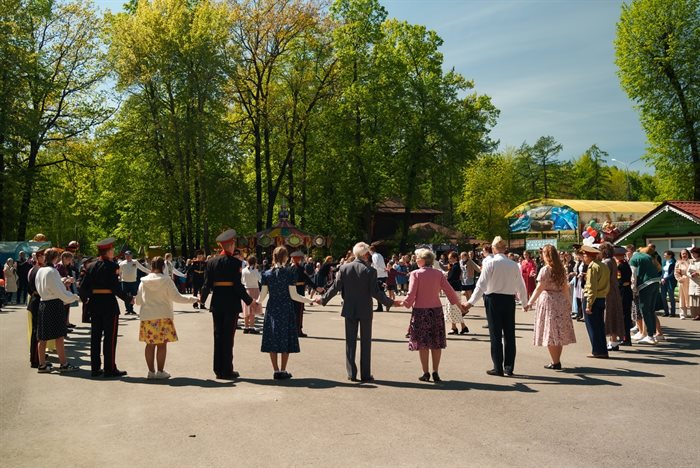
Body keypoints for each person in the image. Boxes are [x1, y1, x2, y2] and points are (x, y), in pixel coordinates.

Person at [321, 242, 393, 383]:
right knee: (366, 342)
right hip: (365, 309)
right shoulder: (370, 271)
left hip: (349, 308)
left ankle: (351, 373)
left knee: (350, 342)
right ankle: (365, 374)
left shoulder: (344, 268)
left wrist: (323, 299)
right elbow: (375, 292)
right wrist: (390, 302)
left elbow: (335, 287)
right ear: (365, 254)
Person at [465, 236, 528, 377]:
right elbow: (521, 285)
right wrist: (524, 303)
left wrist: (470, 303)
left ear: (493, 249)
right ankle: (509, 367)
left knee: (495, 334)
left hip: (493, 299)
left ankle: (498, 367)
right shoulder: (513, 265)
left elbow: (481, 285)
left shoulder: (491, 263)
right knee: (509, 334)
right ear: (505, 249)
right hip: (509, 300)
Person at [399, 248, 464, 382]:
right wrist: (460, 306)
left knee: (423, 344)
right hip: (436, 311)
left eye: (417, 258)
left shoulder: (415, 274)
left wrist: (402, 303)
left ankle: (426, 373)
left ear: (423, 260)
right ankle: (435, 372)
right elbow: (449, 291)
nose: (416, 260)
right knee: (436, 343)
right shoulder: (438, 274)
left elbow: (411, 294)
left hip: (420, 311)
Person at [199, 229, 253, 379]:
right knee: (228, 337)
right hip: (231, 303)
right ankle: (227, 370)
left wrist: (201, 300)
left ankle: (218, 369)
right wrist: (249, 301)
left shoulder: (211, 262)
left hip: (217, 302)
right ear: (230, 245)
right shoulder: (236, 263)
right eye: (233, 243)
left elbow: (206, 284)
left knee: (218, 335)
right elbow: (237, 286)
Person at [257, 247, 317, 379]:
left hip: (272, 309)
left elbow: (262, 296)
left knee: (272, 338)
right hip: (286, 308)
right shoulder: (289, 273)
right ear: (285, 257)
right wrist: (310, 300)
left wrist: (254, 302)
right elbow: (294, 296)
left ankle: (276, 370)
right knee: (285, 337)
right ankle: (283, 370)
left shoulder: (266, 274)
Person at [78, 238, 134, 378]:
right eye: (112, 249)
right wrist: (128, 299)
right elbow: (116, 288)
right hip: (109, 304)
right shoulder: (112, 266)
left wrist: (87, 300)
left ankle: (95, 368)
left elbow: (82, 288)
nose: (113, 251)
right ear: (107, 251)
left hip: (94, 304)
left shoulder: (90, 266)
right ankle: (109, 369)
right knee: (110, 338)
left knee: (95, 337)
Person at [135, 256, 198, 379]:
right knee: (162, 345)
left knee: (149, 345)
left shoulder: (143, 281)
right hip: (163, 316)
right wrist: (194, 299)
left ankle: (151, 372)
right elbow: (177, 297)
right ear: (163, 267)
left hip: (147, 316)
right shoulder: (166, 280)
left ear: (151, 266)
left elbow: (138, 301)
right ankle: (160, 372)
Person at [525, 244, 576, 369]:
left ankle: (555, 362)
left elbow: (539, 288)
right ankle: (556, 360)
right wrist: (569, 303)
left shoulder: (546, 270)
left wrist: (530, 302)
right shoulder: (561, 269)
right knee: (558, 332)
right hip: (561, 300)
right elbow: (565, 288)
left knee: (550, 332)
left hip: (549, 302)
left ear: (546, 255)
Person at [35, 248, 80, 374]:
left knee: (42, 337)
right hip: (54, 304)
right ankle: (63, 364)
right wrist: (74, 297)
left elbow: (49, 285)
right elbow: (59, 291)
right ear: (55, 258)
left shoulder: (40, 270)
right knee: (59, 336)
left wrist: (62, 281)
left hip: (43, 303)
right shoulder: (52, 271)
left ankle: (42, 364)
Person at [581, 245, 610, 358]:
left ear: (589, 256)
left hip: (592, 299)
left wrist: (589, 304)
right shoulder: (603, 265)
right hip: (601, 297)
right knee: (599, 326)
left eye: (585, 255)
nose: (583, 257)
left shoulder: (592, 267)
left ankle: (597, 351)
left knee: (592, 326)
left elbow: (591, 287)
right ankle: (602, 350)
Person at [630, 246, 663, 343]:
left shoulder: (634, 259)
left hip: (645, 285)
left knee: (644, 310)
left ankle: (650, 336)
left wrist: (634, 290)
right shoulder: (648, 257)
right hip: (656, 282)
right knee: (651, 310)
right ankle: (652, 335)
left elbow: (633, 275)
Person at [599, 243, 625, 351]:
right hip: (614, 290)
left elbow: (604, 278)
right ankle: (613, 341)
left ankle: (613, 341)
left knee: (609, 315)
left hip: (608, 291)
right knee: (614, 314)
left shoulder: (606, 262)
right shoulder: (613, 261)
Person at [289, 250, 320, 337]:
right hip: (299, 291)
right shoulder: (300, 268)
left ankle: (291, 330)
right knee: (299, 312)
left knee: (292, 311)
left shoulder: (288, 269)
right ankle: (298, 330)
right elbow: (307, 280)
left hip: (290, 292)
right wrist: (316, 287)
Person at [26, 249, 46, 368]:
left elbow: (28, 287)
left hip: (34, 299)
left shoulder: (33, 269)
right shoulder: (40, 270)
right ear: (39, 257)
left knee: (36, 330)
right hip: (38, 300)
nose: (45, 258)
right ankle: (36, 359)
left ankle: (36, 357)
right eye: (43, 256)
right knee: (38, 331)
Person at [119, 250, 151, 316]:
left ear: (131, 256)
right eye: (126, 255)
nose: (127, 257)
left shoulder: (135, 262)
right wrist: (119, 277)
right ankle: (127, 309)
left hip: (133, 282)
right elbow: (119, 271)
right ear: (125, 256)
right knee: (126, 296)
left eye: (129, 255)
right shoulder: (122, 263)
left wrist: (151, 272)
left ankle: (131, 309)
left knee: (133, 296)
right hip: (124, 282)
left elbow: (142, 268)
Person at [614, 246, 634, 345]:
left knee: (624, 316)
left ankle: (626, 338)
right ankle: (626, 337)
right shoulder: (625, 264)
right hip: (627, 291)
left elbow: (619, 281)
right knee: (626, 315)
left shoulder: (620, 266)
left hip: (623, 292)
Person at [446, 251, 468, 335]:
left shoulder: (455, 266)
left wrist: (444, 279)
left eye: (450, 258)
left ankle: (456, 327)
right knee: (454, 309)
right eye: (449, 258)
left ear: (455, 258)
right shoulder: (455, 266)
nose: (449, 260)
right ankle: (459, 327)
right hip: (454, 289)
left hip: (454, 289)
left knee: (453, 308)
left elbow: (451, 278)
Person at [241, 256, 262, 334]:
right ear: (255, 262)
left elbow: (242, 281)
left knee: (246, 309)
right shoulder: (255, 271)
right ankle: (252, 327)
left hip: (246, 289)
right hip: (255, 289)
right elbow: (260, 279)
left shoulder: (243, 270)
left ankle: (246, 327)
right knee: (252, 310)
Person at [369, 245, 388, 311]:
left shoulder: (374, 256)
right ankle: (382, 306)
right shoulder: (379, 255)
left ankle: (386, 304)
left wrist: (383, 269)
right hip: (383, 275)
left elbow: (376, 265)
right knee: (380, 291)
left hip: (379, 275)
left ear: (370, 251)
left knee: (378, 292)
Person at [675, 249, 691, 319]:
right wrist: (679, 278)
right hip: (682, 281)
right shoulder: (678, 262)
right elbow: (676, 272)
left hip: (691, 281)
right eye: (683, 254)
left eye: (685, 253)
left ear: (688, 254)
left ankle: (694, 313)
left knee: (691, 297)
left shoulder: (691, 261)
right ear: (680, 255)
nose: (684, 255)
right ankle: (683, 314)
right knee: (682, 297)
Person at [660, 251, 677, 317]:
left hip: (670, 281)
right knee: (663, 297)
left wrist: (665, 279)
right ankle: (666, 312)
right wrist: (662, 278)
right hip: (663, 281)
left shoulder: (674, 262)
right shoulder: (664, 262)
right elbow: (662, 272)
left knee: (671, 297)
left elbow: (673, 273)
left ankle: (672, 313)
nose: (664, 256)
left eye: (665, 255)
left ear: (670, 255)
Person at [687, 247, 700, 321]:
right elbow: (687, 272)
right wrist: (691, 275)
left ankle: (699, 315)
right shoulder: (691, 262)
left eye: (694, 253)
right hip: (692, 283)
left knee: (699, 300)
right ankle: (694, 315)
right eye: (692, 253)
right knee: (692, 301)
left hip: (698, 283)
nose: (693, 255)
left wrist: (697, 273)